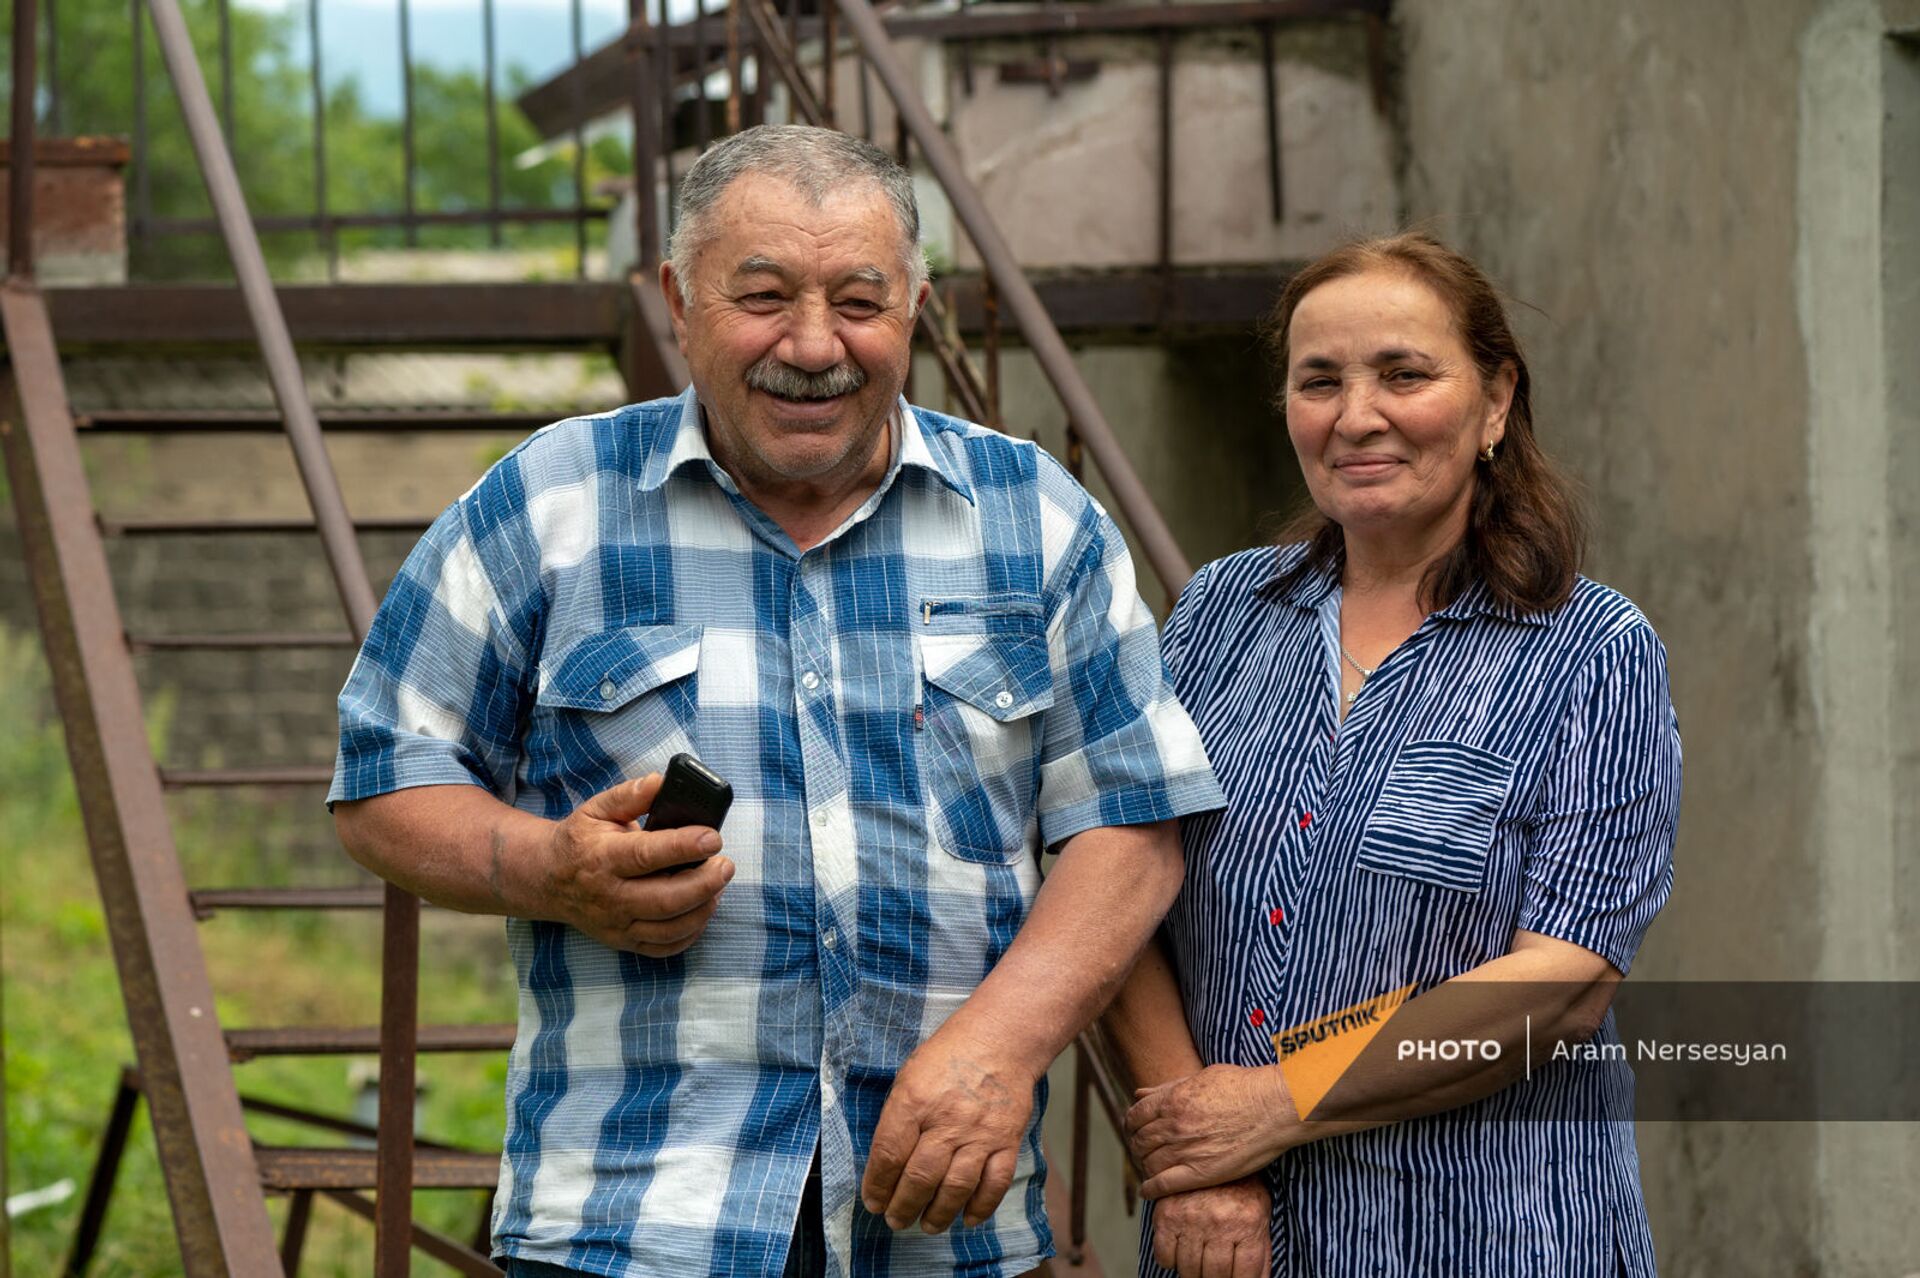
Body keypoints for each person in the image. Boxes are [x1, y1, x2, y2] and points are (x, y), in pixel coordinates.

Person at [328, 123, 1224, 1278]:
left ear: (914, 304)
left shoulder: (1035, 517)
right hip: (633, 1220)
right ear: (677, 300)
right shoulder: (549, 503)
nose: (814, 345)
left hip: (947, 1227)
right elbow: (385, 778)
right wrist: (545, 868)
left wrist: (1001, 1046)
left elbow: (1131, 826)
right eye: (762, 296)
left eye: (861, 300)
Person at [1103, 232, 1682, 1278]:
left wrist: (1277, 1105)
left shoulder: (1593, 653)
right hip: (1233, 1244)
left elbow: (1562, 981)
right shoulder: (1217, 616)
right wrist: (1202, 1160)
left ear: (1496, 400)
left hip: (1501, 1237)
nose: (1356, 415)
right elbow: (1115, 884)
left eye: (1404, 374)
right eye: (1318, 381)